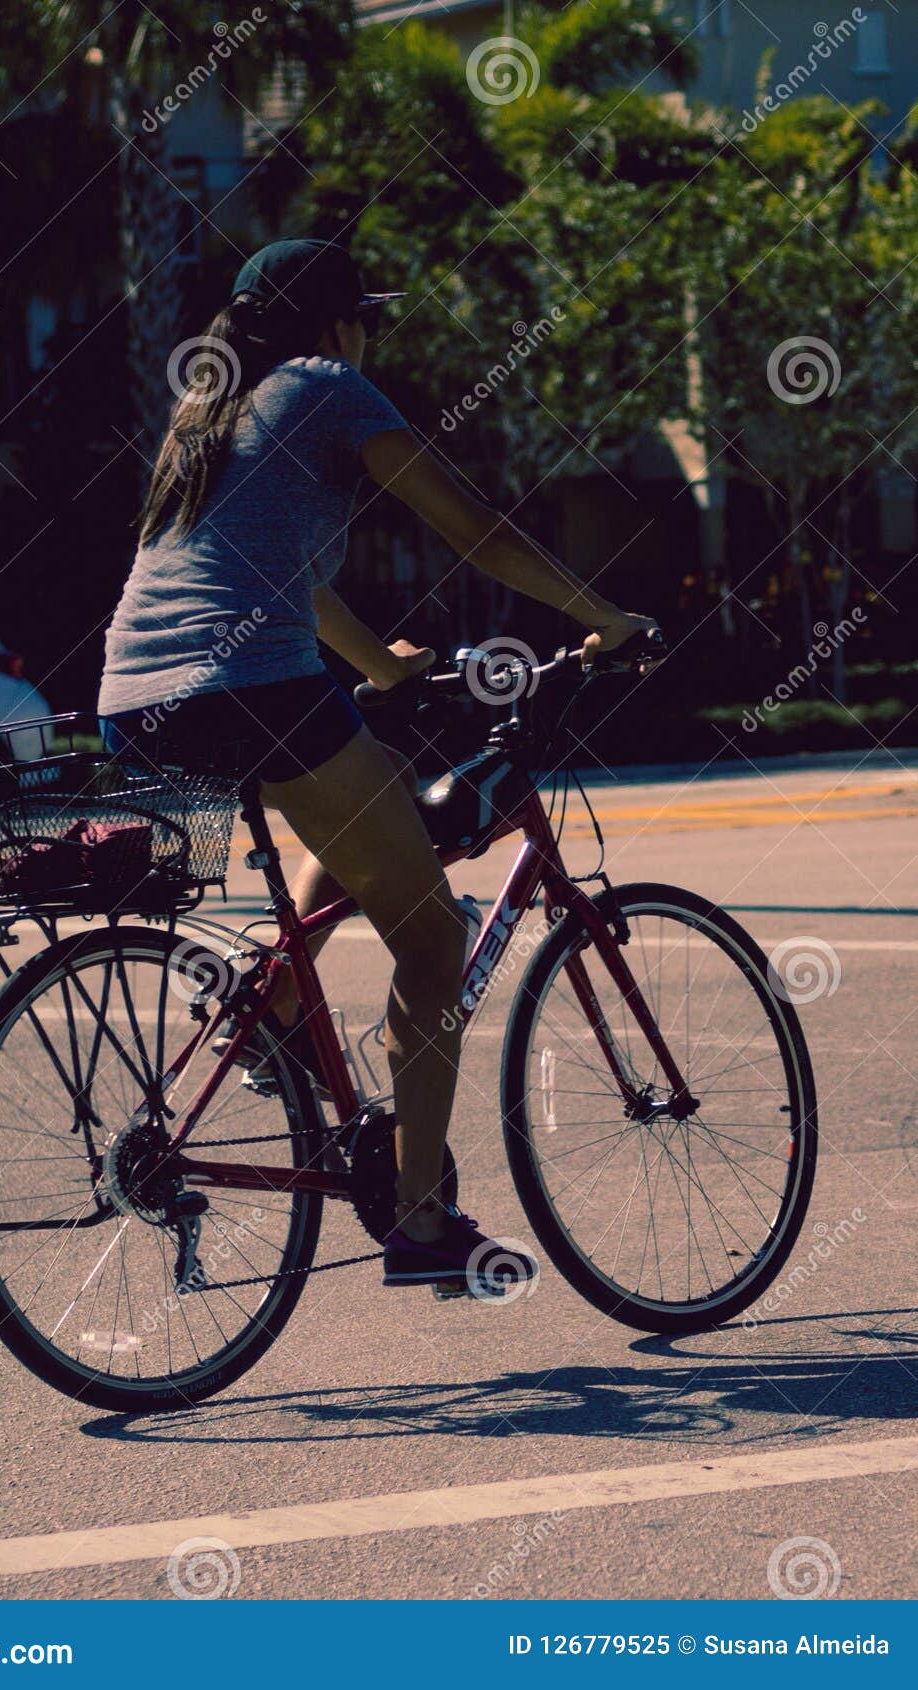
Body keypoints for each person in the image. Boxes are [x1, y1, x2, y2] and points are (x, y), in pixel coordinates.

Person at [99, 238, 658, 1290]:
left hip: (134, 703)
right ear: (335, 323)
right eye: (367, 319)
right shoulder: (323, 385)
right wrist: (603, 617)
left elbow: (291, 584)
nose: (369, 339)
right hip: (253, 691)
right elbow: (474, 529)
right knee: (433, 939)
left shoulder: (212, 409)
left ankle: (270, 1008)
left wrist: (383, 669)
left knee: (382, 787)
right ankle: (420, 1220)